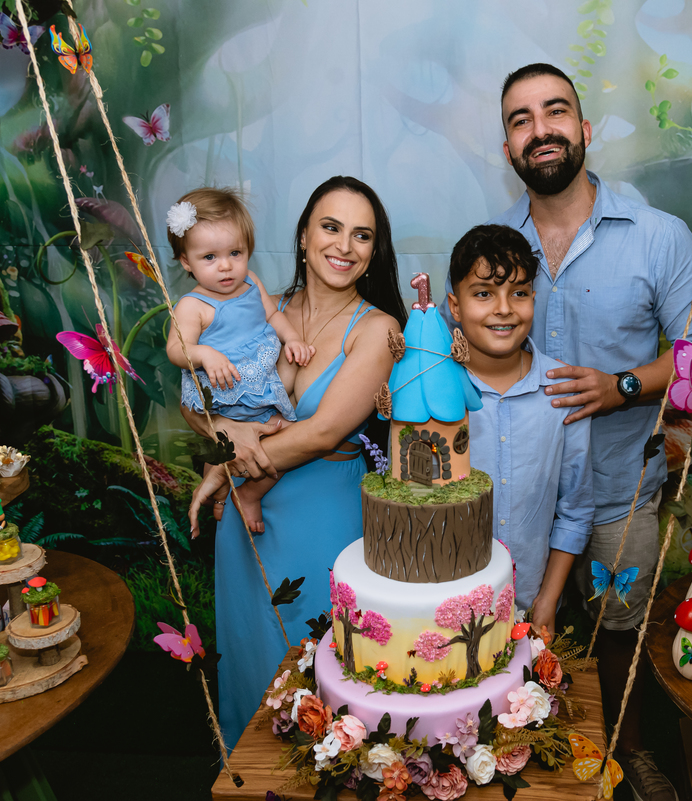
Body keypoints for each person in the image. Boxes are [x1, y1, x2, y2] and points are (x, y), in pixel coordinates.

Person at [443, 63, 692, 801]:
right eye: (520, 118)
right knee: (491, 647)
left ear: (584, 128)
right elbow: (455, 356)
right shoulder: (492, 246)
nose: (540, 129)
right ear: (507, 146)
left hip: (616, 489)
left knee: (615, 635)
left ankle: (626, 756)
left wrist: (624, 384)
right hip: (505, 503)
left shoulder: (657, 236)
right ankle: (504, 762)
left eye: (555, 111)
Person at [184, 176, 406, 750]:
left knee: (328, 684)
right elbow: (200, 400)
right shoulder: (254, 309)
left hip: (329, 519)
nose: (345, 245)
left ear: (373, 251)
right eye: (331, 227)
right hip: (248, 525)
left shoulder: (379, 329)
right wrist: (224, 433)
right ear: (305, 235)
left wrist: (224, 466)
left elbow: (325, 429)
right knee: (253, 664)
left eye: (363, 235)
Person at [445, 224, 593, 636]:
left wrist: (548, 599)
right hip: (445, 609)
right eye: (483, 293)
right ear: (455, 306)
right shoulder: (436, 392)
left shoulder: (564, 391)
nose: (504, 308)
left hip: (531, 608)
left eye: (520, 292)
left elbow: (575, 509)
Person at [165, 187, 314, 534]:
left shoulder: (250, 282)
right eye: (209, 257)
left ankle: (247, 494)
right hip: (225, 395)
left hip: (259, 388)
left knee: (289, 442)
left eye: (235, 252)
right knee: (224, 455)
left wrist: (291, 338)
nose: (226, 266)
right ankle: (220, 494)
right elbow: (177, 349)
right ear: (186, 262)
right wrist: (204, 353)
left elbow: (272, 314)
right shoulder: (192, 305)